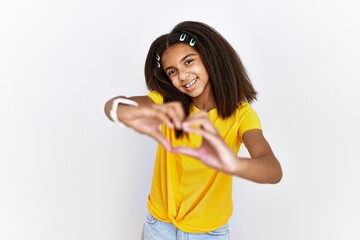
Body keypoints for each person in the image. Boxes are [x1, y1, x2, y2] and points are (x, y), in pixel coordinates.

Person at [104, 21, 282, 240]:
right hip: (159, 226)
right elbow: (118, 107)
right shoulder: (167, 101)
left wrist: (234, 164)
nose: (183, 75)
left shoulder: (241, 115)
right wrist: (121, 110)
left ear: (210, 57)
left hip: (208, 233)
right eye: (172, 71)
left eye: (189, 62)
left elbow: (273, 170)